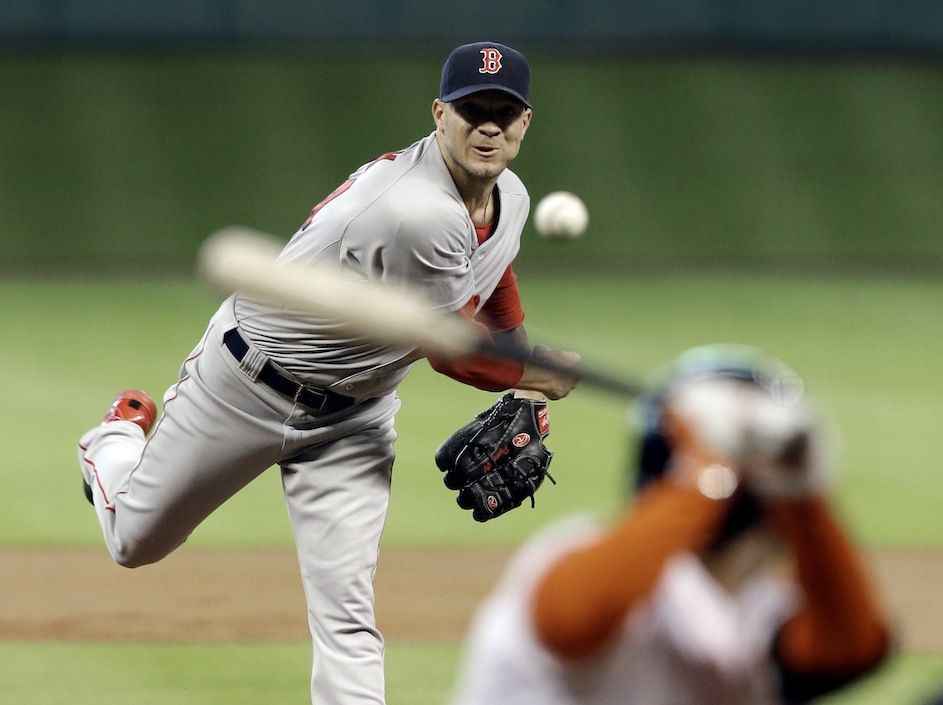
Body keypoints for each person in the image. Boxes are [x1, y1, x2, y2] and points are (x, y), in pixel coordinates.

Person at [76, 41, 580, 705]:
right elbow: (450, 349)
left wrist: (521, 358)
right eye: (471, 109)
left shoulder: (507, 195)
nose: (488, 124)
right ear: (439, 114)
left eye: (503, 111)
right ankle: (114, 441)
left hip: (354, 416)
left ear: (524, 122)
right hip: (246, 384)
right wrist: (537, 374)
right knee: (133, 542)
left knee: (346, 613)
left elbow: (496, 279)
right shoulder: (414, 209)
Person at [450, 345, 891, 705]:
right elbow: (571, 621)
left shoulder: (762, 607)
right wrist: (704, 475)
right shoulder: (580, 552)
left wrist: (806, 501)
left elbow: (850, 652)